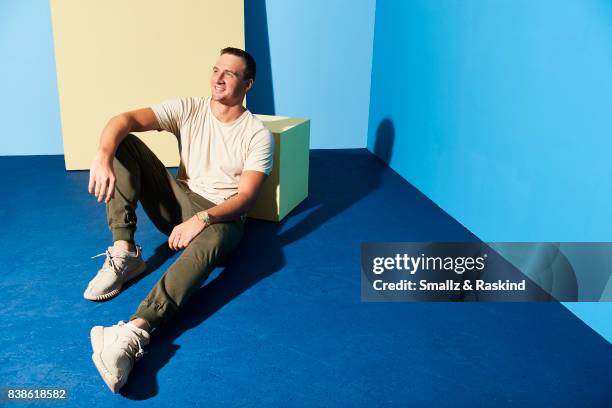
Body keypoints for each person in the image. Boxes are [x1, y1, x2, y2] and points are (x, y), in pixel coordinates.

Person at [84, 47, 274, 393]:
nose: (218, 78)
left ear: (247, 85)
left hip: (222, 215)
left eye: (229, 74)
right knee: (123, 142)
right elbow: (123, 119)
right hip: (179, 200)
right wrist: (103, 153)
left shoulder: (257, 134)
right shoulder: (190, 107)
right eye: (216, 69)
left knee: (214, 238)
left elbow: (246, 198)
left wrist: (202, 218)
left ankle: (134, 330)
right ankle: (125, 252)